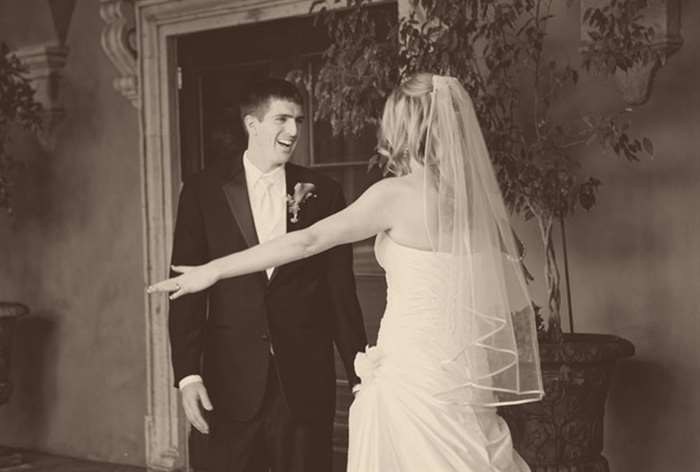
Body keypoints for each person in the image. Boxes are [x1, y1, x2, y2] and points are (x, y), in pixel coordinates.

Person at [150, 73, 544, 471]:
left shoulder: (391, 195)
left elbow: (308, 244)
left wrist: (213, 270)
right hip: (458, 368)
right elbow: (507, 283)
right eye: (283, 120)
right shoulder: (472, 204)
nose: (294, 131)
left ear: (403, 128)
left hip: (408, 369)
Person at [164, 77, 367, 472]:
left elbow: (340, 293)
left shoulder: (324, 192)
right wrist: (188, 374)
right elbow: (185, 284)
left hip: (305, 383)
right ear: (252, 125)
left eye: (298, 120)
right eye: (282, 119)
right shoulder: (202, 190)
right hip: (228, 382)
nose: (293, 131)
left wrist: (360, 373)